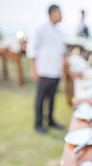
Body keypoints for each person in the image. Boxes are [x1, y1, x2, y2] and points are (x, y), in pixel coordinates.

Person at [27, 4, 66, 134]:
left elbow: (61, 51)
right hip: (43, 70)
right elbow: (32, 49)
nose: (61, 16)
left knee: (52, 98)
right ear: (52, 13)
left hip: (55, 71)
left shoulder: (59, 32)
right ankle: (38, 123)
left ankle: (50, 120)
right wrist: (33, 69)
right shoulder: (40, 29)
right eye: (59, 13)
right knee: (40, 98)